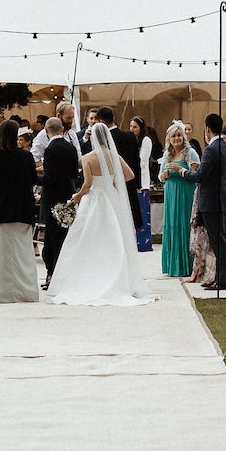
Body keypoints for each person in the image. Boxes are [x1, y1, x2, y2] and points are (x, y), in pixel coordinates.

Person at [46, 123, 154, 306]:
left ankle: (88, 274)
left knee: (88, 237)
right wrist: (113, 180)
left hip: (94, 198)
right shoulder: (115, 156)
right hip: (111, 197)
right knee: (113, 237)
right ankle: (116, 275)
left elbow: (87, 184)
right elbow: (130, 175)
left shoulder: (88, 157)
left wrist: (76, 198)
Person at [175, 113, 226, 291]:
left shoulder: (210, 149)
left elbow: (200, 177)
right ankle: (220, 278)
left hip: (211, 200)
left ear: (207, 128)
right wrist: (200, 168)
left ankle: (222, 280)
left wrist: (182, 171)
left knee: (218, 242)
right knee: (221, 240)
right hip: (222, 196)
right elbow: (216, 171)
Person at [0, 119, 40, 303]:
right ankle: (27, 291)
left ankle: (4, 292)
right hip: (23, 208)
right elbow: (33, 179)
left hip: (2, 209)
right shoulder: (26, 156)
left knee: (2, 255)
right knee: (23, 253)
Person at [37, 115, 82, 288]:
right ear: (62, 130)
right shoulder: (70, 147)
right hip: (67, 196)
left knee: (51, 238)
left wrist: (36, 178)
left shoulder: (50, 150)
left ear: (47, 131)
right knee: (65, 236)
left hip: (52, 199)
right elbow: (73, 173)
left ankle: (53, 274)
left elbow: (50, 178)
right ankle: (64, 274)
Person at [94, 106, 144, 239]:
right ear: (114, 118)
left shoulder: (102, 141)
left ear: (101, 122)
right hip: (129, 184)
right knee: (128, 224)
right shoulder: (129, 136)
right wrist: (137, 184)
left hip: (111, 188)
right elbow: (136, 161)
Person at [157, 120, 199, 276]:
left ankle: (187, 265)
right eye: (173, 136)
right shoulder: (167, 154)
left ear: (184, 137)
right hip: (171, 193)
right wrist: (164, 175)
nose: (176, 138)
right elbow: (159, 176)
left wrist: (180, 169)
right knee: (172, 225)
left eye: (179, 135)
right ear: (169, 138)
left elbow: (197, 173)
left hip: (185, 192)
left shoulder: (190, 153)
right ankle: (172, 264)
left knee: (184, 224)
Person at [129, 116, 158, 252]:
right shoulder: (131, 140)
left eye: (135, 127)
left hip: (142, 181)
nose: (132, 129)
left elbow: (142, 160)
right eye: (131, 126)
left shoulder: (145, 140)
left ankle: (144, 242)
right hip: (133, 180)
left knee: (143, 214)